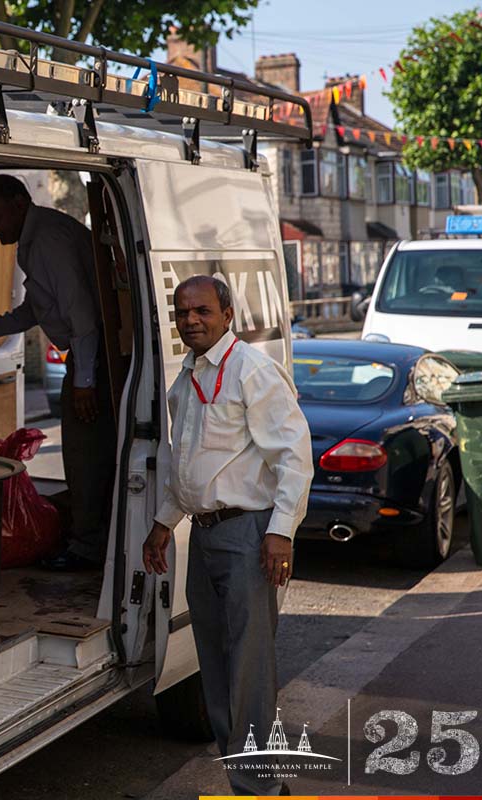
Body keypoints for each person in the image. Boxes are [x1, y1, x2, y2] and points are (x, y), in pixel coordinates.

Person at [143, 275, 313, 796]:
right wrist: (162, 523)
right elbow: (183, 463)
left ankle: (259, 786)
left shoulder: (253, 370)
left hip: (249, 536)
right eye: (182, 312)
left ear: (227, 315)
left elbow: (294, 458)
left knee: (249, 669)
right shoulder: (186, 379)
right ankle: (246, 776)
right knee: (213, 665)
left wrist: (280, 534)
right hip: (207, 537)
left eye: (202, 311)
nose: (191, 319)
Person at [0, 174, 113, 571]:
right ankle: (86, 538)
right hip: (87, 358)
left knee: (85, 457)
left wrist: (84, 382)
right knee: (83, 455)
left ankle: (88, 547)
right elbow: (36, 310)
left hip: (92, 359)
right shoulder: (33, 243)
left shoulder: (49, 241)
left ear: (20, 204)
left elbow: (83, 319)